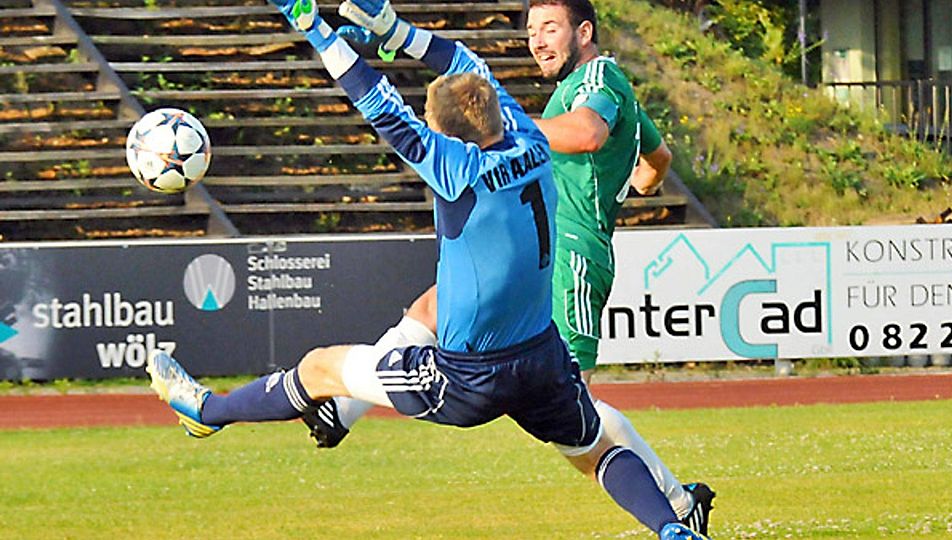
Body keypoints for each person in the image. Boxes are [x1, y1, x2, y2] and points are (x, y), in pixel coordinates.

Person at [146, 1, 706, 538]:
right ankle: (674, 529)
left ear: (446, 136)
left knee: (319, 366)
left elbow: (379, 102)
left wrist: (314, 28)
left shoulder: (454, 171)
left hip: (466, 380)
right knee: (596, 452)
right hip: (539, 360)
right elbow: (468, 66)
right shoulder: (532, 142)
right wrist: (392, 30)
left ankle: (208, 410)